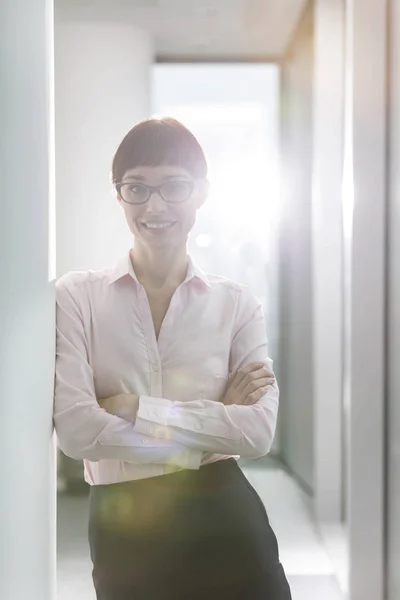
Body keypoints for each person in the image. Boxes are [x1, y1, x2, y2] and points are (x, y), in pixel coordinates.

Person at [54, 116, 292, 600]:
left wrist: (136, 409)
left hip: (226, 517)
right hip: (124, 530)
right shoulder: (77, 298)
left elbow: (257, 433)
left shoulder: (237, 304)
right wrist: (202, 439)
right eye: (137, 188)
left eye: (174, 187)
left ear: (202, 192)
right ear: (117, 194)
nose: (155, 205)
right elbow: (78, 432)